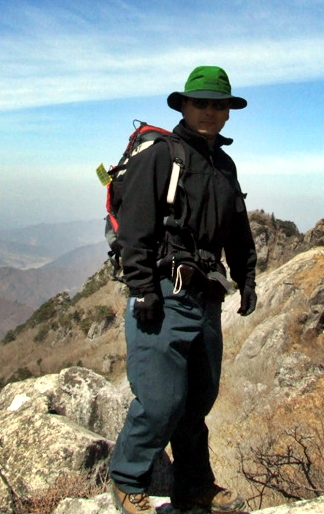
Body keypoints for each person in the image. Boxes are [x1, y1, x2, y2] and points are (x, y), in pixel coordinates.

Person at [108, 66, 258, 514]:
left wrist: (247, 276)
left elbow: (238, 229)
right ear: (184, 106)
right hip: (163, 291)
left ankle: (193, 485)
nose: (210, 112)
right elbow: (134, 230)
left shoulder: (223, 165)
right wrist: (143, 290)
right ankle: (126, 479)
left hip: (206, 296)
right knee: (161, 400)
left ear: (229, 112)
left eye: (219, 104)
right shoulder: (162, 157)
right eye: (201, 103)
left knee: (198, 398)